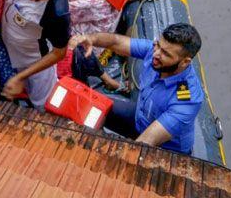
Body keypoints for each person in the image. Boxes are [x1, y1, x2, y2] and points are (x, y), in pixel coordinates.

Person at [68, 23, 203, 155]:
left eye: (166, 54)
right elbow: (116, 42)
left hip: (165, 149)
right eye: (158, 45)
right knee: (94, 105)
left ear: (185, 62)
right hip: (140, 118)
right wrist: (92, 38)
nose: (155, 54)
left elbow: (147, 140)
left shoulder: (187, 100)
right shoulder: (156, 52)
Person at [0, 0, 69, 109]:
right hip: (6, 47)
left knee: (44, 104)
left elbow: (59, 53)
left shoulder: (58, 12)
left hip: (34, 60)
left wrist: (22, 76)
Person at [62, 0, 124, 90]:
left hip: (92, 43)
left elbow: (67, 14)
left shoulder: (92, 0)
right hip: (100, 32)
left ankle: (104, 79)